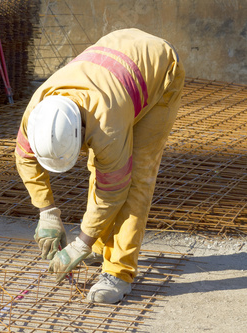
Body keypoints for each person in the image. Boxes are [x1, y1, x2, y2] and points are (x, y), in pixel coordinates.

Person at [14, 28, 185, 304]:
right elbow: (24, 157)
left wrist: (80, 243)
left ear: (82, 130)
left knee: (135, 178)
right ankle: (100, 242)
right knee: (104, 165)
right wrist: (47, 211)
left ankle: (119, 272)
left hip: (160, 70)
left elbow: (113, 191)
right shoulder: (39, 110)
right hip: (117, 60)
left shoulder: (107, 125)